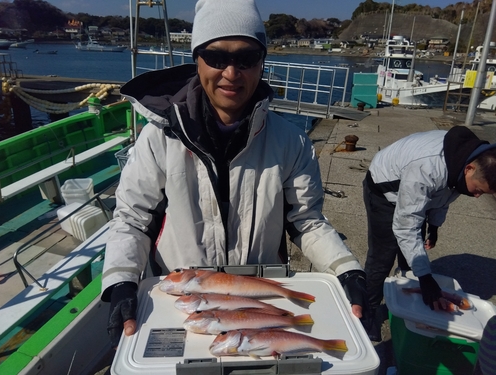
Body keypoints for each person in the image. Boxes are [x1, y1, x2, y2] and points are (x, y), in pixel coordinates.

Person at [101, 0, 369, 348]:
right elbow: (132, 219)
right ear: (197, 58)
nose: (231, 72)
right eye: (216, 57)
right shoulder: (158, 138)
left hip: (257, 303)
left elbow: (307, 221)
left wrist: (347, 269)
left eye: (246, 58)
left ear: (262, 63)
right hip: (183, 306)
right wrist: (122, 281)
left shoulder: (292, 142)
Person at [363, 126, 496, 342]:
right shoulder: (426, 169)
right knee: (382, 255)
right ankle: (367, 313)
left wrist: (434, 225)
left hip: (418, 187)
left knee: (410, 257)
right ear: (469, 169)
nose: (478, 196)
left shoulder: (466, 161)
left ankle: (405, 299)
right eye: (478, 190)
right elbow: (406, 227)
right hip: (385, 186)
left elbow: (445, 193)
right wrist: (425, 277)